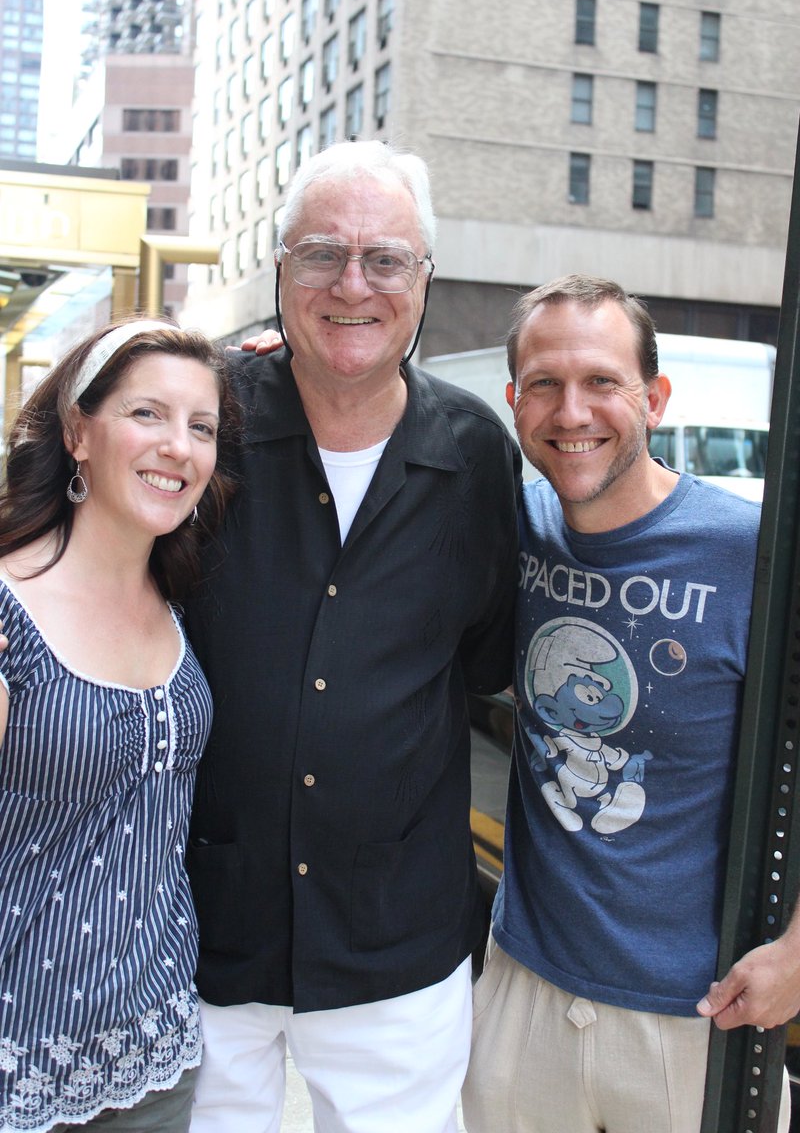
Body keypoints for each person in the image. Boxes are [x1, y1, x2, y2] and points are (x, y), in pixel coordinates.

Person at [183, 139, 520, 1133]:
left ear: (424, 281)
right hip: (202, 927)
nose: (353, 285)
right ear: (280, 270)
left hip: (396, 944)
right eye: (323, 253)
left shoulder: (473, 456)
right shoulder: (204, 423)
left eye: (386, 260)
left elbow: (481, 661)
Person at [461, 274, 800, 1133]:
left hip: (696, 1014)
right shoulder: (515, 526)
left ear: (654, 397)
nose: (572, 412)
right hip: (521, 990)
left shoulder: (749, 556)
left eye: (602, 382)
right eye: (545, 384)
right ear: (514, 401)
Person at [0, 317, 240, 1133]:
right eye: (147, 414)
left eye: (200, 426)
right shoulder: (7, 612)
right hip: (17, 1058)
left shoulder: (180, 607)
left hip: (154, 1056)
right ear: (76, 431)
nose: (179, 446)